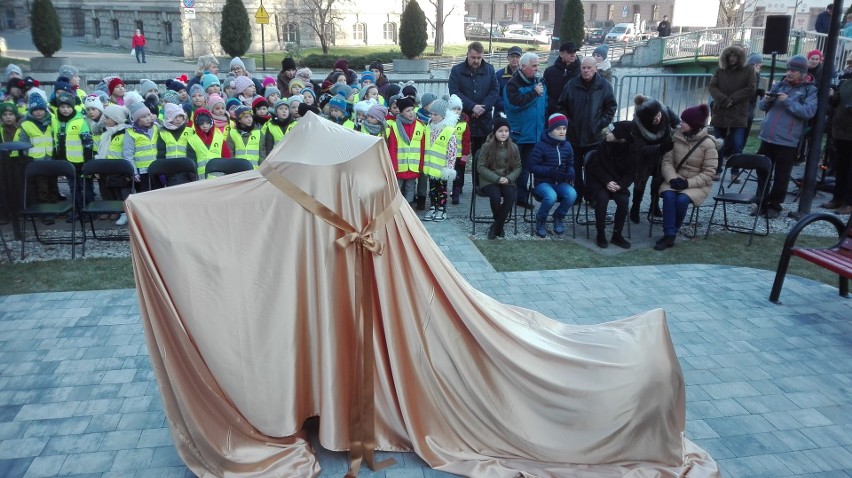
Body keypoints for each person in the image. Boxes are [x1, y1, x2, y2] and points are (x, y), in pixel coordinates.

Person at [755, 55, 817, 218]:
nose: (789, 73)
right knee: (762, 171)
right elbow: (762, 106)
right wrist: (766, 99)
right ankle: (760, 202)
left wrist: (788, 101)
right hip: (767, 136)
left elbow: (808, 112)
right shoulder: (780, 84)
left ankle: (774, 206)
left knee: (781, 176)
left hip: (787, 141)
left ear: (802, 73)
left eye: (793, 70)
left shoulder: (809, 90)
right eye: (788, 69)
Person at [655, 104, 717, 251]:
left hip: (696, 184)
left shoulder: (708, 144)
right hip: (675, 178)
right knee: (669, 195)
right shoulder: (676, 137)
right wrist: (672, 179)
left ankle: (670, 234)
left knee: (682, 200)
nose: (680, 123)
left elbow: (709, 173)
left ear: (694, 124)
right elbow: (667, 161)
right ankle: (670, 234)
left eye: (684, 121)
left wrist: (687, 183)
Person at [557, 55, 617, 199]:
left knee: (592, 168)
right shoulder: (571, 84)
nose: (586, 71)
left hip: (594, 136)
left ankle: (591, 197)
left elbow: (611, 107)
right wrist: (568, 123)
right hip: (574, 135)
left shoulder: (604, 86)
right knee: (575, 168)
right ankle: (577, 195)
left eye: (589, 68)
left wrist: (600, 123)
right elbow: (561, 106)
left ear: (595, 69)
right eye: (583, 68)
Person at [448, 41, 499, 204]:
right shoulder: (457, 71)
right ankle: (457, 186)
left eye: (478, 57)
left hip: (483, 120)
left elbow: (494, 91)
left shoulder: (489, 70)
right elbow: (454, 92)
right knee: (460, 155)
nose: (475, 61)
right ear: (467, 55)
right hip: (463, 120)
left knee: (481, 155)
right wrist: (472, 107)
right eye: (472, 57)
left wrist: (482, 108)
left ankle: (479, 185)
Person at [505, 52, 547, 209]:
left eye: (538, 65)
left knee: (527, 168)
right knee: (515, 168)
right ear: (523, 67)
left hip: (535, 134)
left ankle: (521, 198)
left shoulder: (539, 83)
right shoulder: (513, 84)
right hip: (519, 134)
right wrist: (533, 93)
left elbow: (544, 106)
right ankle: (509, 196)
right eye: (534, 66)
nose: (537, 69)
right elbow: (514, 105)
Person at [629, 95, 680, 224]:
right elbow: (638, 147)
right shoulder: (637, 124)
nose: (658, 117)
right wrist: (659, 147)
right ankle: (635, 207)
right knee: (640, 182)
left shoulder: (666, 111)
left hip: (664, 152)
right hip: (645, 155)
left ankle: (654, 205)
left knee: (659, 180)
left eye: (658, 114)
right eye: (654, 117)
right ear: (646, 119)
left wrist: (676, 138)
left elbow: (678, 125)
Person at [708, 45, 756, 179]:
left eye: (735, 56)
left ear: (740, 57)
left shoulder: (749, 70)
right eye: (730, 56)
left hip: (738, 112)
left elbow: (751, 88)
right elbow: (712, 87)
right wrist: (723, 99)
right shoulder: (720, 70)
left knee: (737, 143)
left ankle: (735, 172)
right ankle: (717, 170)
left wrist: (732, 100)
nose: (732, 59)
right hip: (721, 111)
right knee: (719, 143)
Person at [586, 121, 636, 249]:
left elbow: (631, 174)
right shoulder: (603, 146)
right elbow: (595, 167)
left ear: (621, 138)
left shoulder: (631, 151)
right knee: (602, 199)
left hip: (618, 184)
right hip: (600, 182)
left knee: (624, 200)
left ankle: (617, 234)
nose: (607, 133)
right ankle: (600, 233)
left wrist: (619, 185)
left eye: (611, 132)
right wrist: (607, 181)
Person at [529, 113, 577, 238]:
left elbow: (570, 164)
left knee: (572, 194)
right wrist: (549, 171)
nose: (562, 131)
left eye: (564, 128)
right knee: (551, 196)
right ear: (551, 129)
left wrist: (571, 173)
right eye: (558, 128)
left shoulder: (567, 145)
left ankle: (558, 216)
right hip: (543, 183)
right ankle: (541, 219)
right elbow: (532, 166)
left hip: (560, 183)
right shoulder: (541, 145)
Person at [476, 117, 520, 239]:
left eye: (506, 131)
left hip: (507, 179)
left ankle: (496, 226)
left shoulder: (514, 147)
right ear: (494, 132)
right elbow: (480, 167)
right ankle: (499, 226)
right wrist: (496, 178)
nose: (504, 133)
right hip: (489, 180)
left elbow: (518, 167)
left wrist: (509, 178)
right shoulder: (486, 146)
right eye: (500, 131)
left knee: (511, 196)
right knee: (495, 197)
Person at [421, 97, 458, 222]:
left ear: (443, 115)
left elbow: (452, 151)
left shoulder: (448, 130)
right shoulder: (429, 127)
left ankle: (442, 209)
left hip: (442, 167)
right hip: (431, 166)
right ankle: (433, 206)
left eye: (435, 114)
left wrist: (449, 167)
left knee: (442, 190)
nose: (432, 116)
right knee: (432, 189)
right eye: (431, 114)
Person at [824, 72, 852, 214]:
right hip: (841, 133)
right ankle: (838, 199)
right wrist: (831, 94)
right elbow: (836, 101)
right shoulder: (847, 83)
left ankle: (849, 203)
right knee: (841, 169)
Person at [543, 41, 580, 117]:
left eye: (574, 52)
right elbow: (545, 92)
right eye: (570, 52)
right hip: (554, 113)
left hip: (575, 113)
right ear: (561, 54)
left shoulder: (581, 72)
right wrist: (556, 107)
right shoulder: (549, 71)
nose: (573, 54)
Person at [495, 45, 523, 116]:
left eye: (517, 57)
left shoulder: (525, 74)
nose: (515, 59)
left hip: (520, 111)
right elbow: (495, 93)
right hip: (502, 111)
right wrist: (506, 106)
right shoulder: (499, 74)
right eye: (512, 56)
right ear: (508, 58)